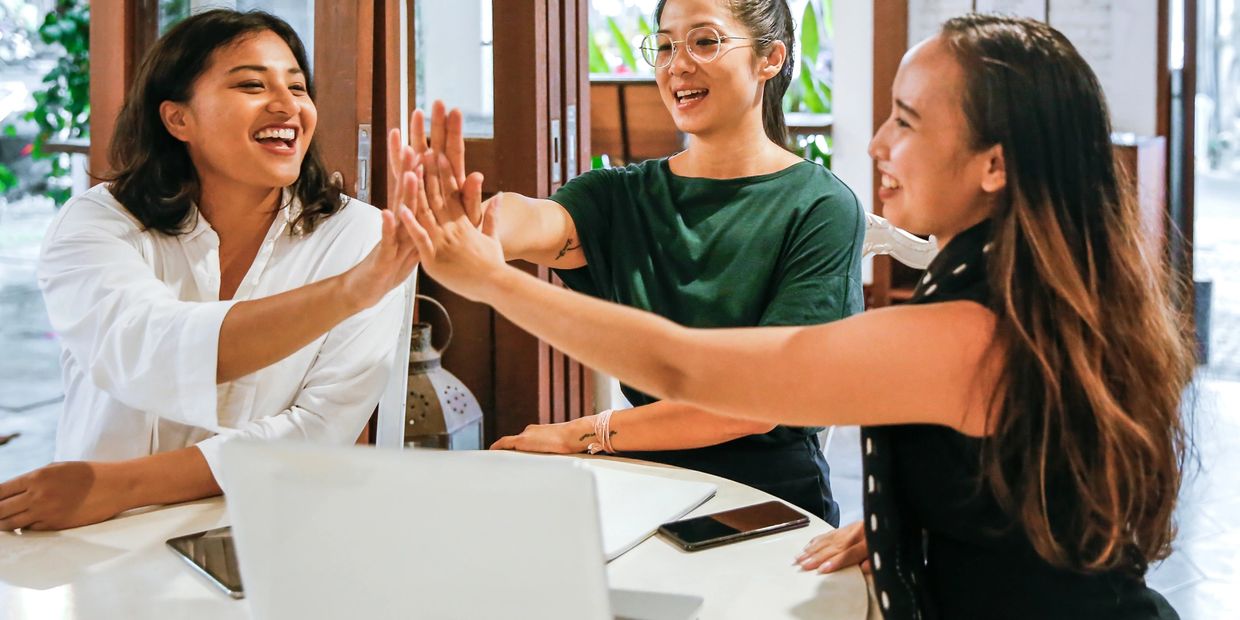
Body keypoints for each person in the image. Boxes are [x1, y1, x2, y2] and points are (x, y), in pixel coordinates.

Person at [397, 14, 1192, 619]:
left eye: (907, 122)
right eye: (665, 45)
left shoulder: (968, 331)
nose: (879, 143)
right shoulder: (1020, 297)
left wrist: (494, 284)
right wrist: (912, 529)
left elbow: (694, 370)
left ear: (994, 165)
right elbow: (1008, 491)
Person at [396, 0, 864, 524]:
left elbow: (751, 405)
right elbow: (535, 221)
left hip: (769, 503)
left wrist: (582, 433)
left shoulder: (821, 207)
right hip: (645, 487)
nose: (677, 64)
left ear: (769, 59)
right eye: (664, 46)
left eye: (704, 42)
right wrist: (476, 225)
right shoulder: (620, 195)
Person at [0, 10, 420, 532]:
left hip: (272, 530)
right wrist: (350, 292)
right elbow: (149, 348)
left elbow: (320, 427)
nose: (288, 105)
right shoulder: (98, 222)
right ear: (178, 119)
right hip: (94, 537)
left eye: (298, 86)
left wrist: (123, 485)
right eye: (250, 84)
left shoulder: (361, 237)